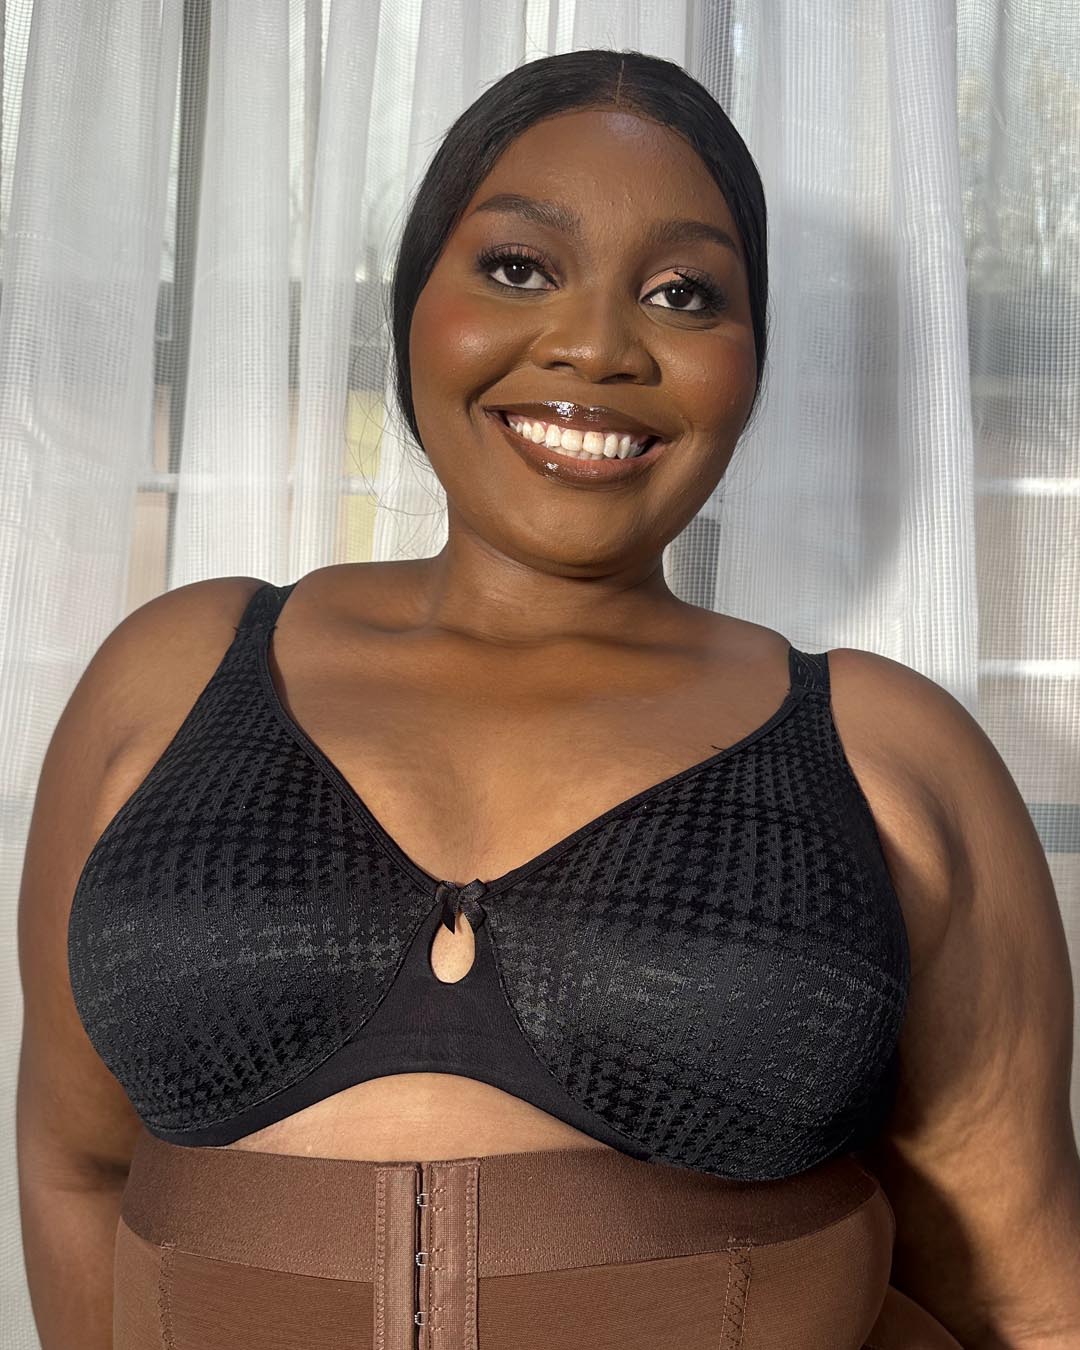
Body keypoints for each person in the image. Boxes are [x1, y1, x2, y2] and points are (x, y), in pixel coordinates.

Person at [17, 48, 1080, 1350]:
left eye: (684, 293)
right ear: (415, 301)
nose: (595, 345)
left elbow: (1028, 1297)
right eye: (520, 267)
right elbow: (73, 1165)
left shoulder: (890, 755)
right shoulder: (174, 674)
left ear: (752, 364)